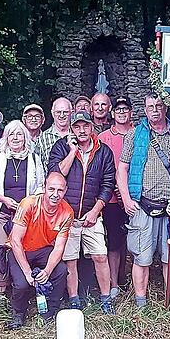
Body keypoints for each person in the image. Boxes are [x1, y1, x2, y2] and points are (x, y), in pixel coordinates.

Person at [116, 95, 170, 307]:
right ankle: (141, 301)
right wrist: (125, 198)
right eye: (150, 106)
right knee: (142, 257)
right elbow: (122, 168)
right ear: (145, 109)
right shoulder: (134, 135)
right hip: (143, 204)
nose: (155, 110)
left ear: (165, 108)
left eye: (159, 106)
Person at [48, 111, 116, 313]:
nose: (81, 130)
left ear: (92, 127)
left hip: (91, 214)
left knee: (100, 256)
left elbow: (108, 183)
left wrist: (96, 210)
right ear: (72, 128)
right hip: (66, 216)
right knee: (70, 259)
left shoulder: (103, 151)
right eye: (77, 127)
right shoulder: (61, 146)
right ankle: (74, 298)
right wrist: (72, 152)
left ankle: (105, 298)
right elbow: (56, 176)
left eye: (85, 126)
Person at [0, 120, 45, 296]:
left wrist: (29, 203)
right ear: (6, 138)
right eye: (12, 134)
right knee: (2, 251)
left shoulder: (34, 159)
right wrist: (3, 199)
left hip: (27, 216)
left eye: (19, 134)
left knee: (24, 251)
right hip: (3, 214)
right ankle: (1, 293)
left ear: (25, 137)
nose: (16, 138)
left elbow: (41, 186)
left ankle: (23, 290)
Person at [6, 172, 73, 329]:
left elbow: (59, 247)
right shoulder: (28, 204)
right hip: (20, 249)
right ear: (44, 188)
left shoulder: (67, 212)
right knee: (22, 283)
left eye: (60, 190)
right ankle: (18, 313)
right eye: (51, 189)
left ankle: (51, 310)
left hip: (43, 249)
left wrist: (47, 271)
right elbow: (15, 241)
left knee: (61, 270)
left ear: (65, 190)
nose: (55, 194)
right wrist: (28, 272)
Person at [98, 96, 134, 298]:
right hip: (112, 199)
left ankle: (128, 278)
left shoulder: (138, 135)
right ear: (112, 113)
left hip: (135, 197)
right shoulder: (104, 137)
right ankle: (113, 284)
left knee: (133, 242)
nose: (121, 113)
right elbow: (103, 169)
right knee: (113, 242)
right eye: (118, 109)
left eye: (125, 109)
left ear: (130, 112)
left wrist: (128, 193)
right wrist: (117, 191)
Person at [34, 97, 72, 170]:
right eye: (58, 112)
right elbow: (38, 168)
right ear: (52, 113)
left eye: (65, 112)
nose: (61, 115)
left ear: (71, 112)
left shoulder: (78, 135)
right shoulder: (42, 139)